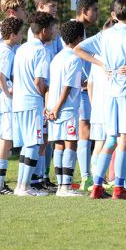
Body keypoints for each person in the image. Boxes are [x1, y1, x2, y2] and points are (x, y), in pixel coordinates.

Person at [75, 0, 126, 199]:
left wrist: (100, 64)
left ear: (115, 15)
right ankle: (119, 188)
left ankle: (98, 186)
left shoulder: (104, 34)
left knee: (110, 139)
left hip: (109, 91)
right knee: (123, 139)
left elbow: (78, 49)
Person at [12, 12, 57, 196]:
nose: (55, 32)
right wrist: (46, 98)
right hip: (32, 103)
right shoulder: (41, 51)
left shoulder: (22, 48)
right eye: (53, 28)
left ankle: (21, 185)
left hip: (19, 102)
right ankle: (24, 187)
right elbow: (39, 82)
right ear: (44, 30)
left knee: (27, 144)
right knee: (33, 143)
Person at [28, 0, 63, 192]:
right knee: (40, 137)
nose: (55, 10)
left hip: (51, 89)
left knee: (47, 137)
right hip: (41, 92)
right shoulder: (37, 34)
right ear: (41, 6)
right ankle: (35, 178)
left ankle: (43, 176)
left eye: (56, 6)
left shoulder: (53, 31)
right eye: (52, 6)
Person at [47, 21, 85, 197]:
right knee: (71, 143)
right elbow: (68, 87)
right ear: (79, 38)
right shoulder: (75, 58)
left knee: (59, 144)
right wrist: (58, 107)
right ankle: (66, 187)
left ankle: (61, 185)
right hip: (67, 107)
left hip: (53, 108)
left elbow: (54, 85)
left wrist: (50, 107)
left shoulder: (57, 58)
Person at [0, 18, 25, 194]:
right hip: (5, 102)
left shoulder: (5, 49)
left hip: (1, 101)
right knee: (5, 141)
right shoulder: (5, 51)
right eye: (21, 33)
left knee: (1, 141)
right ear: (12, 35)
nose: (22, 36)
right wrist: (8, 92)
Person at [71, 0, 99, 191]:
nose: (97, 13)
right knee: (83, 132)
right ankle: (85, 177)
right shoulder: (72, 30)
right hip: (75, 90)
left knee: (84, 132)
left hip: (85, 88)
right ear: (84, 11)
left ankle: (84, 176)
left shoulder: (85, 31)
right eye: (94, 10)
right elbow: (66, 56)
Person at [87, 18, 118, 194]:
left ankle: (98, 179)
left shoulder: (96, 56)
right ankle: (101, 179)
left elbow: (90, 84)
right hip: (108, 105)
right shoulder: (110, 56)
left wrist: (93, 104)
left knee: (100, 143)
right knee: (109, 142)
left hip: (98, 106)